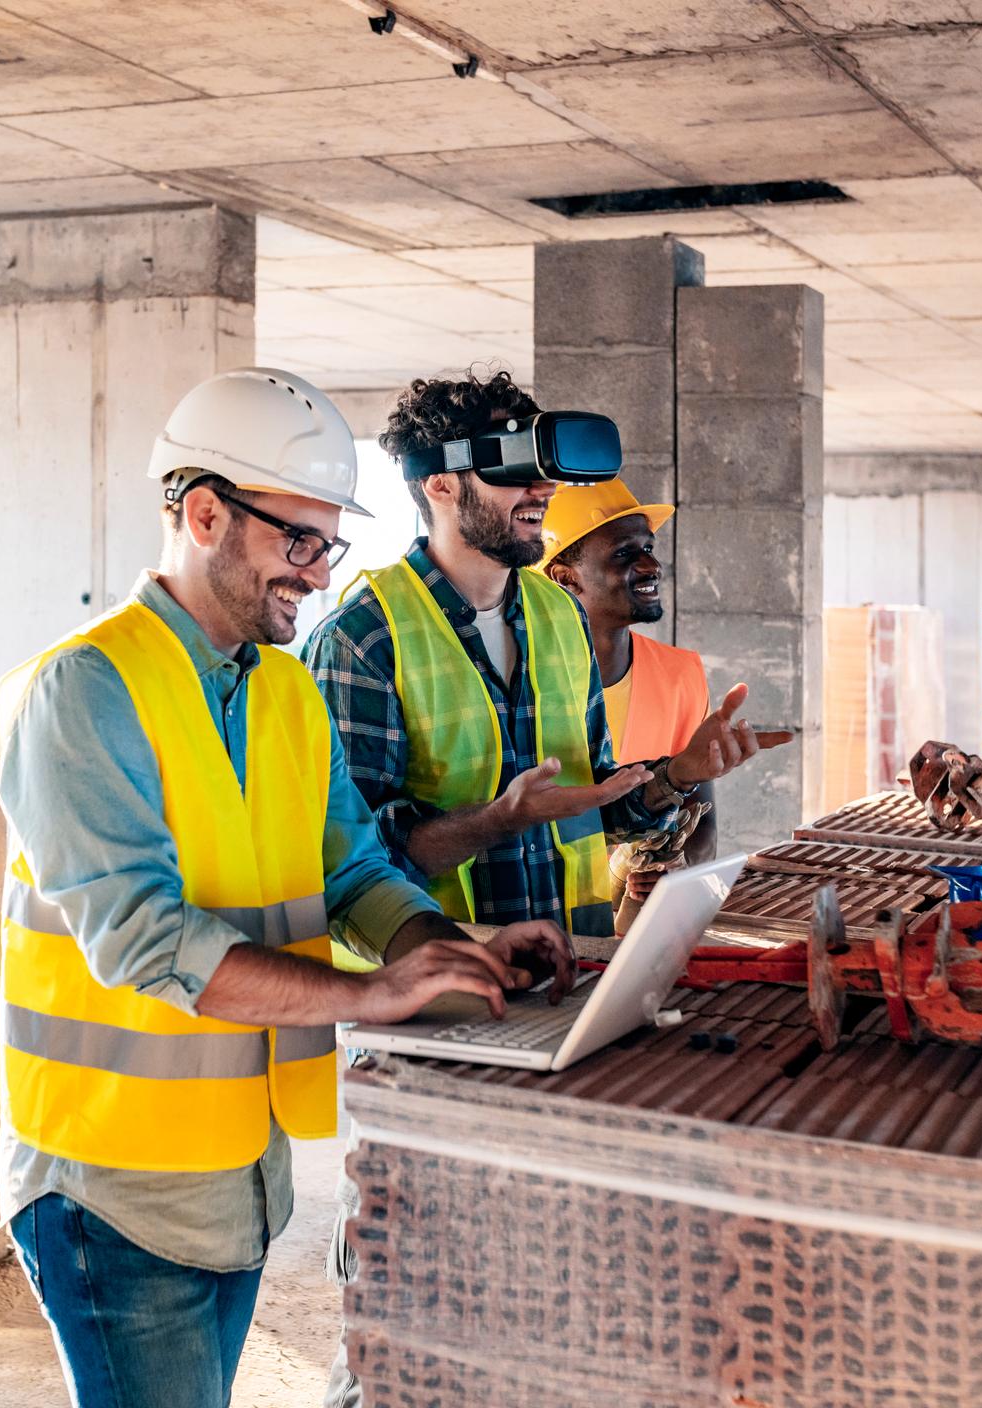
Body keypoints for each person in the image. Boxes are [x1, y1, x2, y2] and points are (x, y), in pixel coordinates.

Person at [0, 367, 575, 1408]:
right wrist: (368, 996)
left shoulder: (286, 692)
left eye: (325, 542)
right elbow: (141, 937)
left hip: (241, 1174)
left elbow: (353, 869)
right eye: (295, 540)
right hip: (109, 1184)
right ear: (204, 512)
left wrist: (442, 945)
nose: (315, 572)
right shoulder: (84, 689)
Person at [303, 368, 772, 1407]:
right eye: (512, 473)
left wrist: (672, 780)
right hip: (442, 1012)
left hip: (566, 983)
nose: (540, 492)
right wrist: (494, 820)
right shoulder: (362, 638)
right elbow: (350, 868)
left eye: (542, 471)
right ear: (436, 490)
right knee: (406, 1281)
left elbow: (595, 804)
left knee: (551, 1271)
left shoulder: (556, 623)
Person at [541, 478, 715, 901]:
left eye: (648, 549)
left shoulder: (681, 675)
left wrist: (677, 869)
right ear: (565, 578)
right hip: (539, 928)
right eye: (624, 553)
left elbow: (703, 826)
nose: (651, 566)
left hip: (635, 934)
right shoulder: (521, 685)